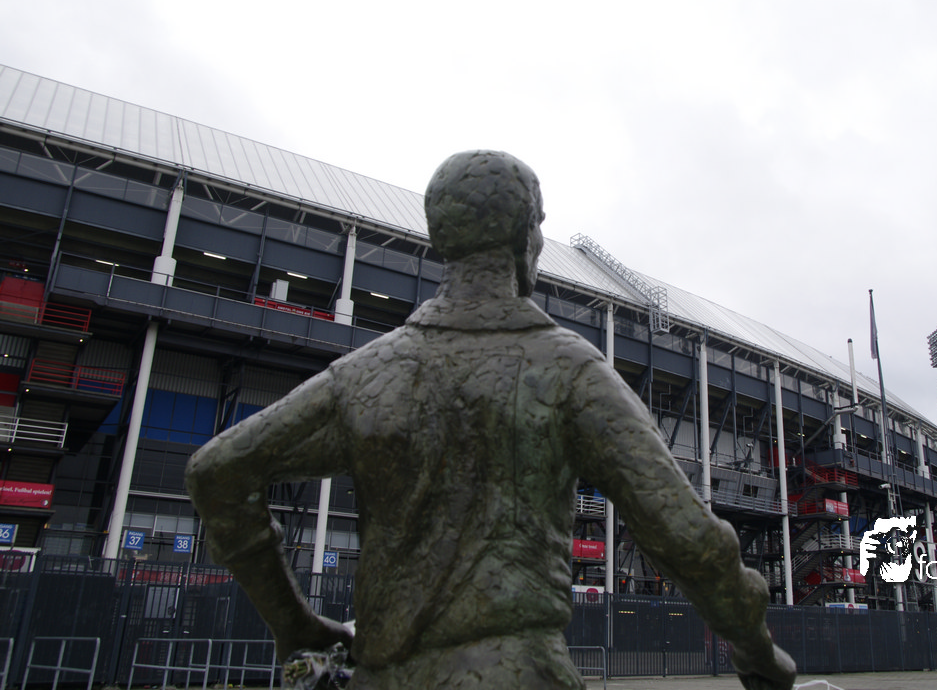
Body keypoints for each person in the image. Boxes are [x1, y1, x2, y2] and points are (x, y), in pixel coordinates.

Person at [186, 150, 797, 690]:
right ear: (522, 234)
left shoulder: (365, 375)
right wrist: (756, 649)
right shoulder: (565, 370)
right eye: (539, 225)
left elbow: (217, 472)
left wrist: (294, 626)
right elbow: (686, 534)